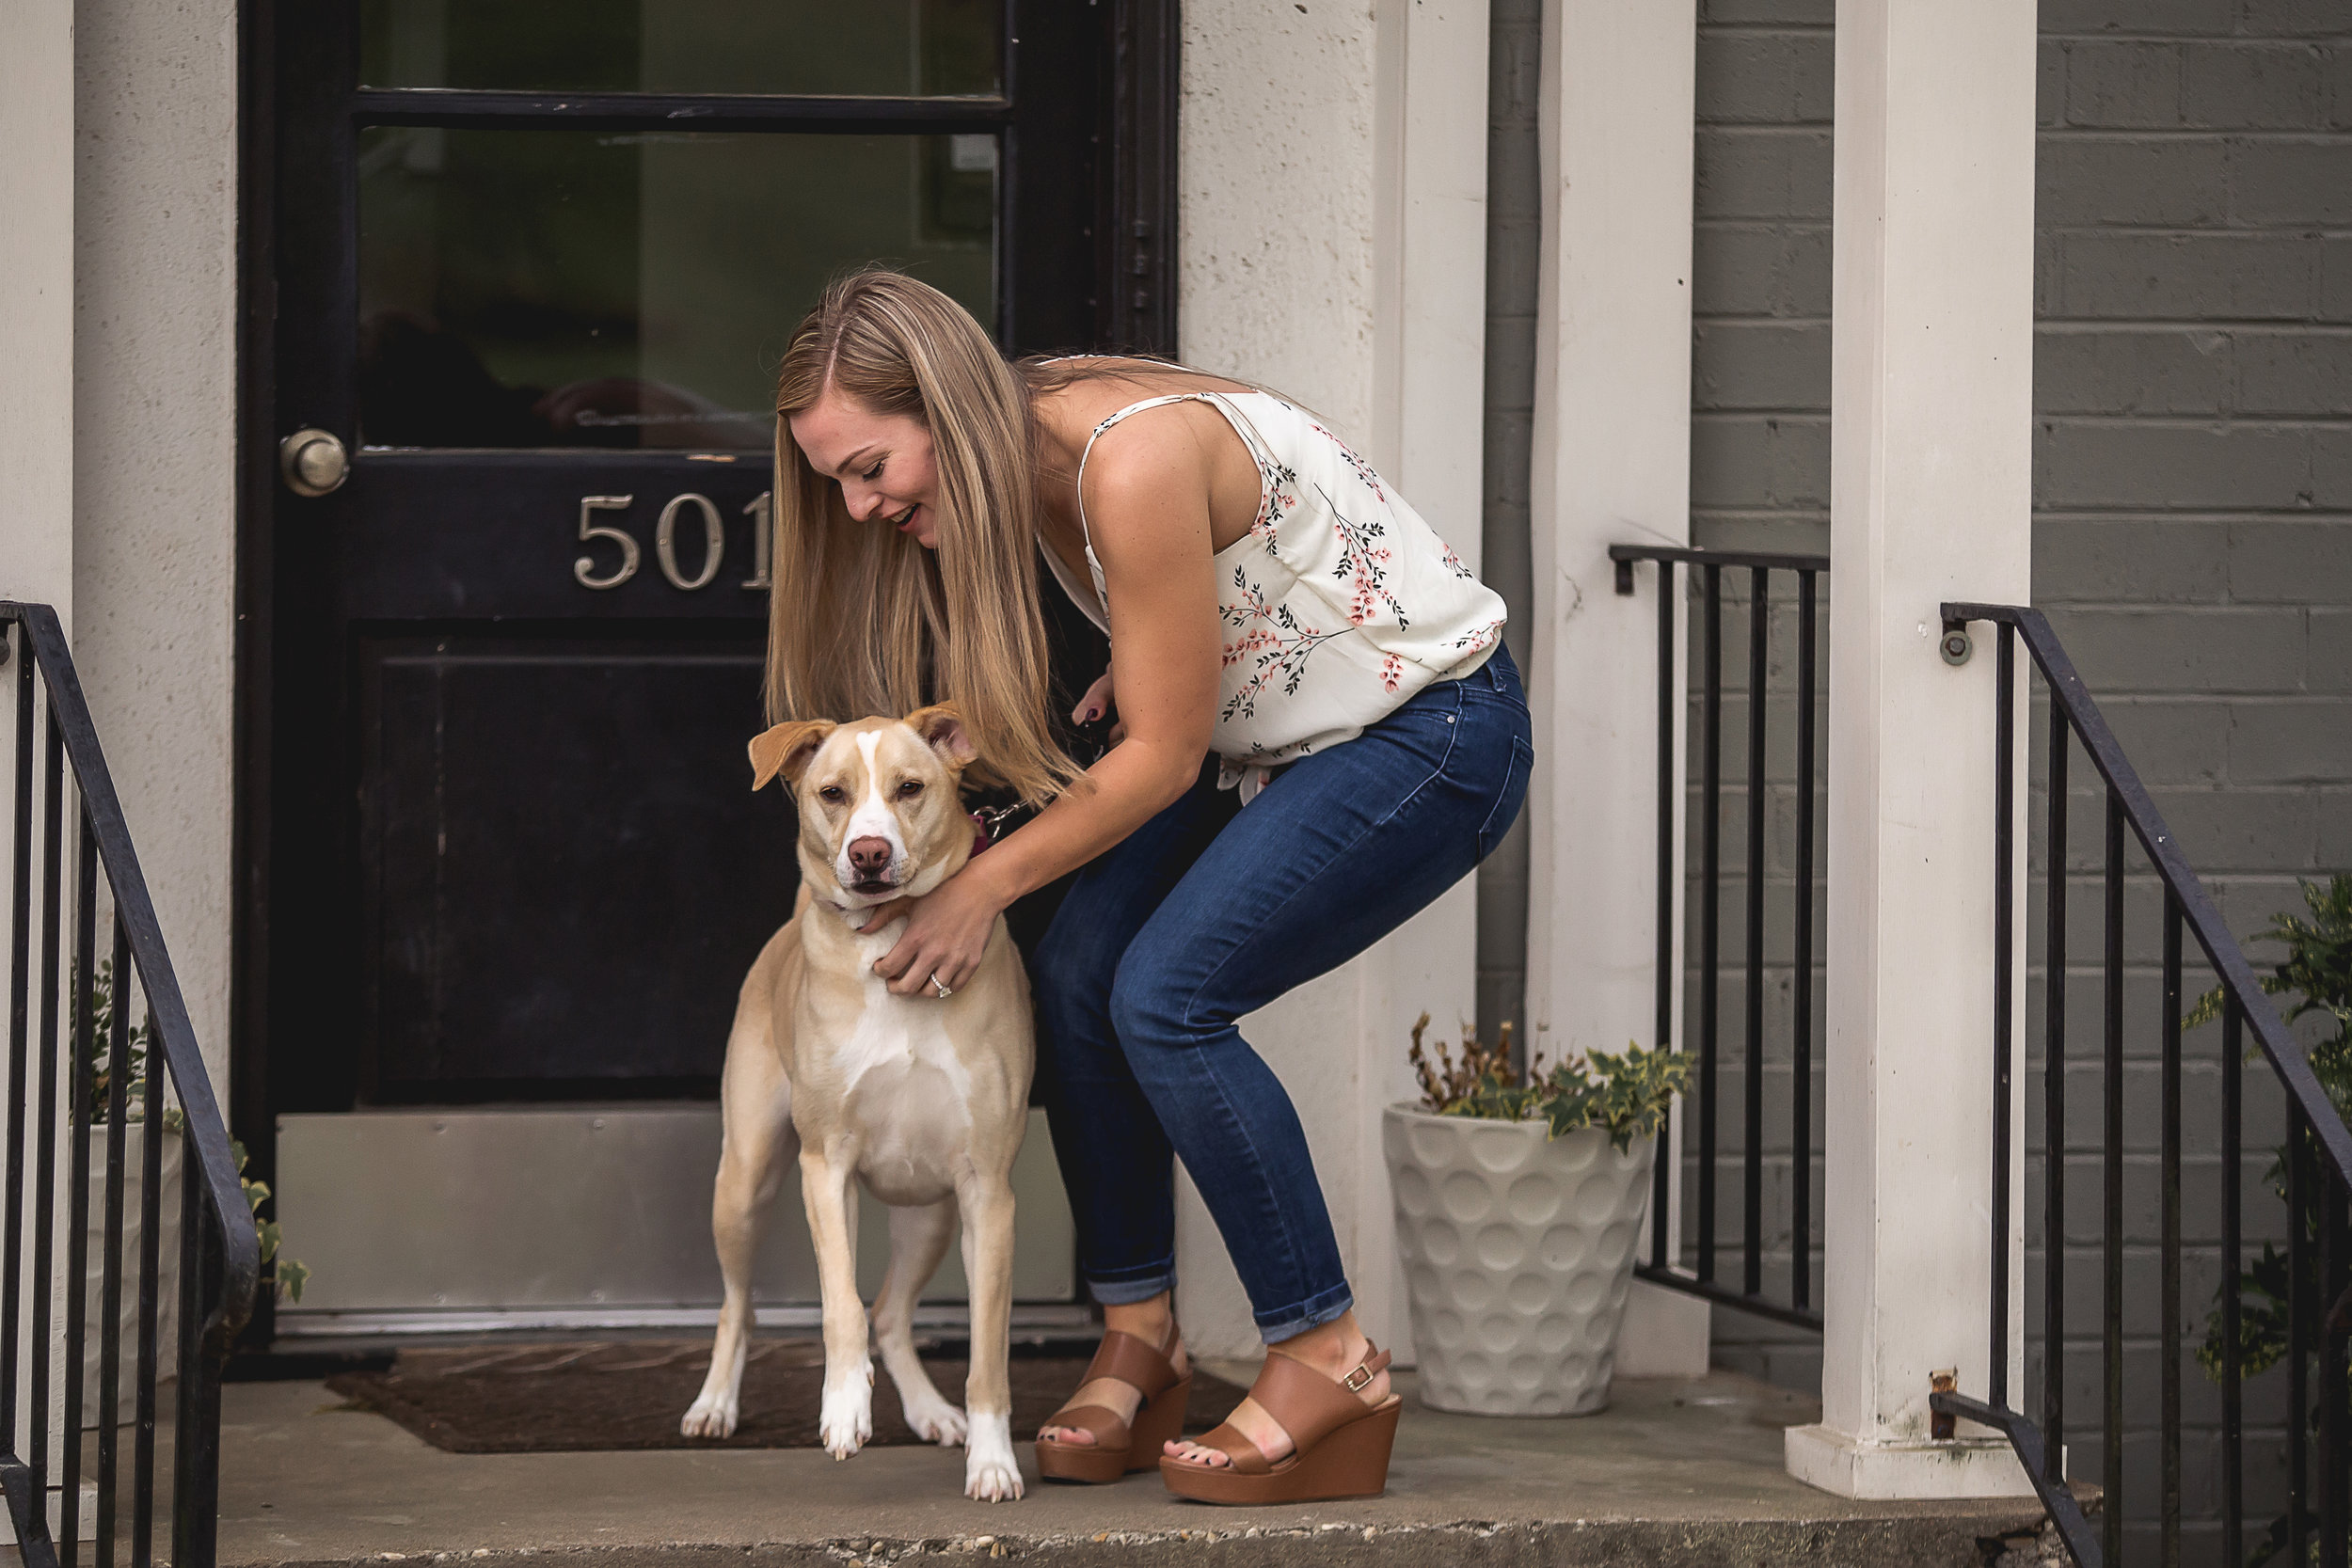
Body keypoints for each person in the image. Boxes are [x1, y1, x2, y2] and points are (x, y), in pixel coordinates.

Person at [766, 270, 1532, 1503]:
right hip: (1279, 748)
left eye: (867, 468)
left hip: (1427, 734)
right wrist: (1162, 653)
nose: (858, 507)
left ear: (942, 411)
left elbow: (1167, 758)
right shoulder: (1031, 446)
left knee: (1166, 995)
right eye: (837, 483)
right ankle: (1143, 1334)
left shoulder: (1122, 459)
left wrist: (976, 890)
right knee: (1077, 974)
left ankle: (1327, 1354)